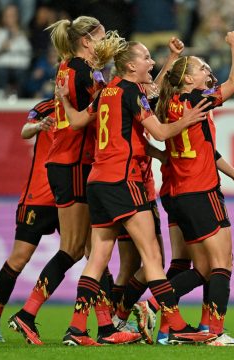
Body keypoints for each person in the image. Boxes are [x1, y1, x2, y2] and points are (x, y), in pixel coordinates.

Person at [56, 32, 216, 346]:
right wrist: (188, 119)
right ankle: (178, 325)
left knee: (99, 255)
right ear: (131, 67)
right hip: (122, 181)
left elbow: (75, 121)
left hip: (97, 182)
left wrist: (62, 98)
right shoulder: (131, 92)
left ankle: (79, 329)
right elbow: (159, 131)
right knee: (152, 255)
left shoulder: (105, 92)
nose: (151, 62)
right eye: (146, 58)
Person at [8, 16, 137, 346]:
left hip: (66, 162)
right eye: (100, 36)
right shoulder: (83, 70)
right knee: (75, 248)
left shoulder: (70, 67)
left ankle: (104, 326)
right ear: (85, 40)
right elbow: (86, 117)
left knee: (93, 249)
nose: (105, 41)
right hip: (75, 164)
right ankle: (28, 314)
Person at [141, 30, 234, 346]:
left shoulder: (165, 103)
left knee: (200, 267)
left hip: (178, 192)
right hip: (201, 190)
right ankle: (213, 332)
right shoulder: (196, 100)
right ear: (187, 79)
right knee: (222, 263)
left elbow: (204, 148)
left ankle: (152, 305)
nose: (206, 71)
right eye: (200, 68)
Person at [0, 98, 57, 343]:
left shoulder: (90, 108)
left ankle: (103, 324)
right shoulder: (47, 107)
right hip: (38, 196)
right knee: (19, 258)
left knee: (89, 254)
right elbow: (25, 130)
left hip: (72, 197)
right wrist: (38, 126)